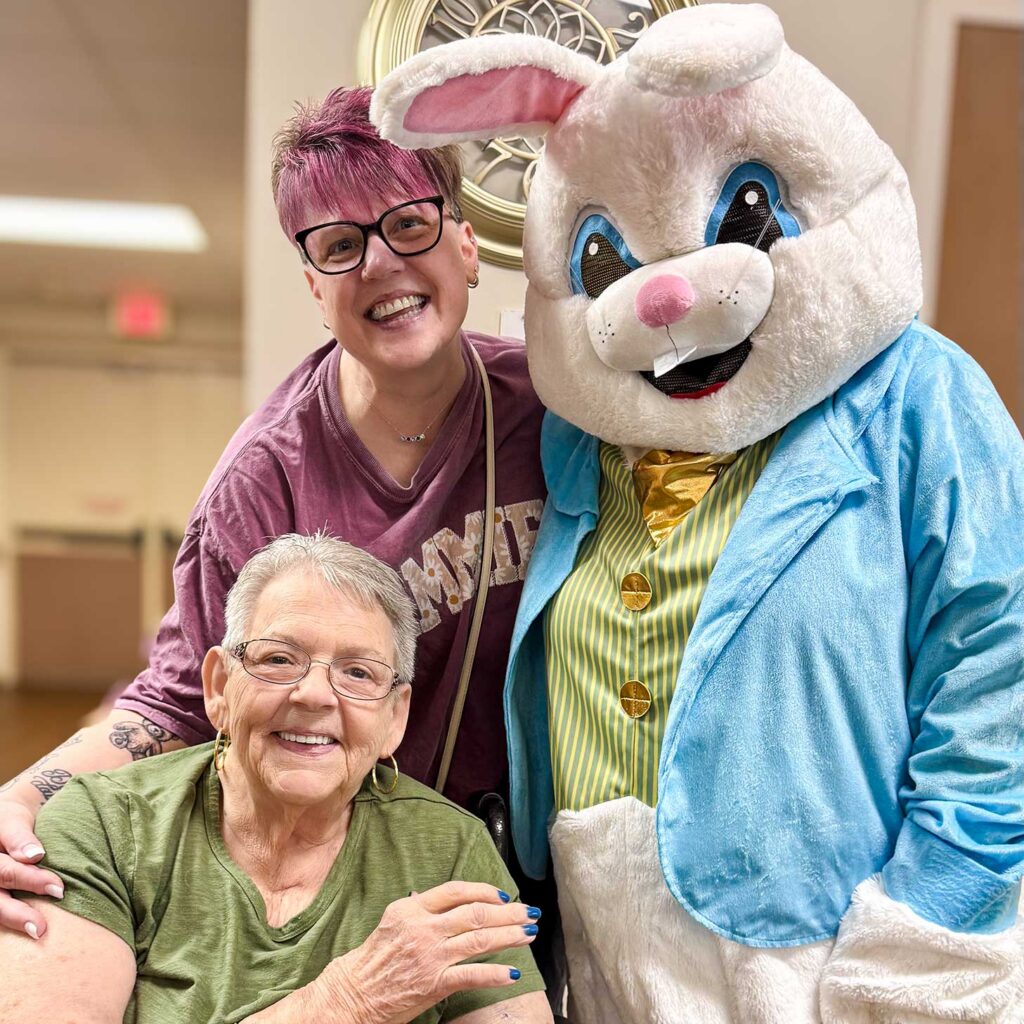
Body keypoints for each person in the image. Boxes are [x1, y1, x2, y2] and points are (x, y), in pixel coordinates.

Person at [0, 87, 547, 947]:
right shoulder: (267, 474)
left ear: (468, 243)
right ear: (314, 287)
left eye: (409, 224)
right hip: (351, 881)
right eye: (339, 246)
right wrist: (21, 798)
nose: (380, 264)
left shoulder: (556, 413)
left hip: (539, 863)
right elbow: (182, 696)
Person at [0, 533, 550, 1024]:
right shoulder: (103, 827)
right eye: (279, 659)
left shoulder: (449, 850)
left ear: (395, 717)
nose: (313, 694)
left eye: (358, 672)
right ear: (218, 684)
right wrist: (346, 1003)